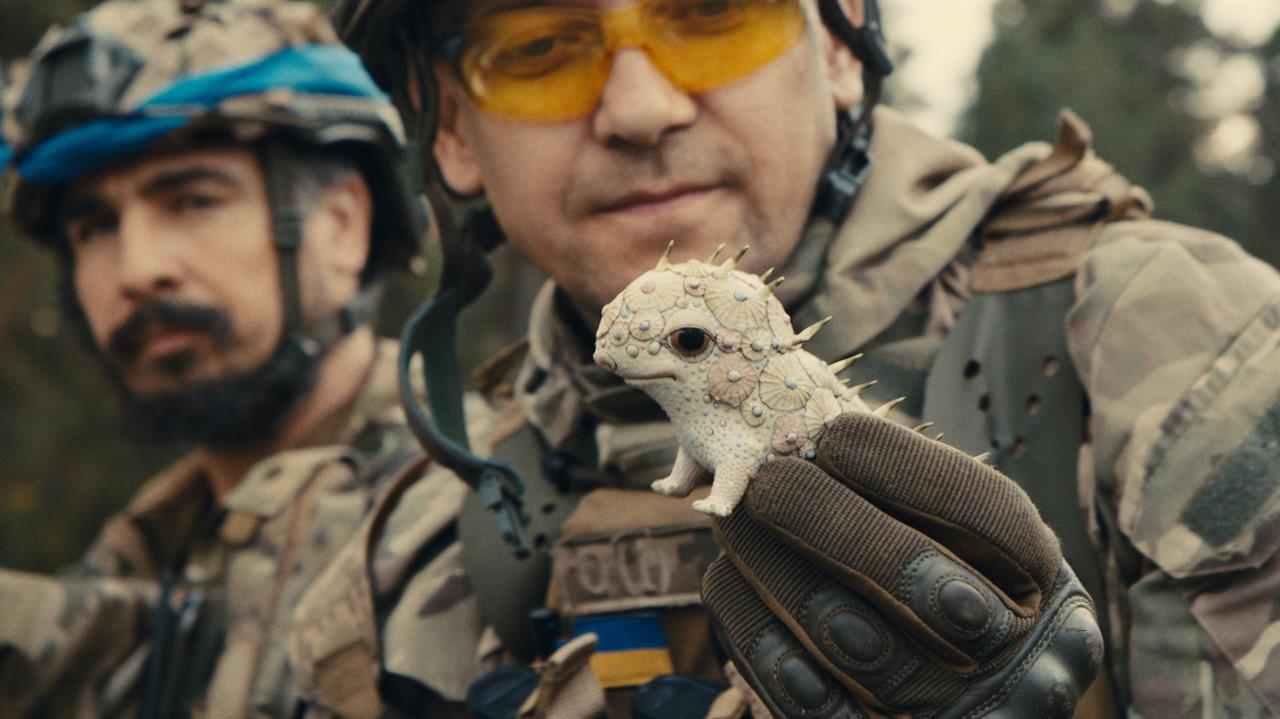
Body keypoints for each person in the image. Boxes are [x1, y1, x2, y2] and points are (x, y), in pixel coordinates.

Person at [332, 0, 1280, 717]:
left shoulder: (1181, 352)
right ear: (451, 129)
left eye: (710, 14)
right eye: (538, 48)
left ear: (836, 42)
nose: (640, 108)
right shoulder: (412, 540)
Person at [0, 0, 493, 716]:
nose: (137, 269)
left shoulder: (480, 510)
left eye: (193, 200)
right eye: (95, 226)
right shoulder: (158, 550)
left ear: (341, 226)